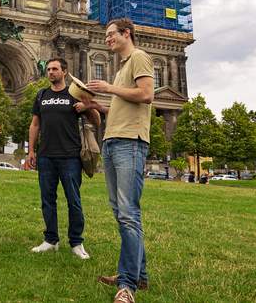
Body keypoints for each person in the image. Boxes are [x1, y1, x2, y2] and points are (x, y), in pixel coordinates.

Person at [86, 17, 154, 303]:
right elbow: (123, 105)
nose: (107, 39)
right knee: (121, 212)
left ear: (127, 33)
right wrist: (94, 106)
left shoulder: (139, 57)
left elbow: (147, 94)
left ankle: (127, 286)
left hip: (130, 142)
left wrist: (109, 88)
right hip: (114, 141)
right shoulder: (122, 68)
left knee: (128, 213)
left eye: (112, 34)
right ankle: (138, 273)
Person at [27, 58, 99, 261]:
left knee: (74, 201)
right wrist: (31, 151)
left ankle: (76, 242)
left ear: (64, 72)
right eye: (48, 69)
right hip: (46, 156)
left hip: (70, 157)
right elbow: (34, 125)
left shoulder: (74, 94)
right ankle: (51, 240)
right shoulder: (41, 95)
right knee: (47, 200)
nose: (50, 72)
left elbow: (96, 120)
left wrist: (86, 107)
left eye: (55, 69)